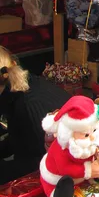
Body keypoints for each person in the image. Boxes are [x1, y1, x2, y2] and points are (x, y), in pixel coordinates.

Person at [0, 46, 70, 184]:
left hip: (61, 176)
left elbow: (39, 165)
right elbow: (22, 139)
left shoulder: (28, 105)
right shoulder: (27, 86)